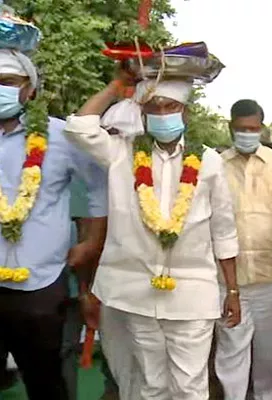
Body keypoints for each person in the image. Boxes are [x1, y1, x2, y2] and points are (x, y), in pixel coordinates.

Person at [64, 73, 241, 399]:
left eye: (170, 106)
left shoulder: (209, 161)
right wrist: (117, 87)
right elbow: (78, 128)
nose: (162, 114)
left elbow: (223, 229)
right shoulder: (122, 152)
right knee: (151, 383)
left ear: (185, 111)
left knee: (190, 386)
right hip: (137, 292)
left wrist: (231, 289)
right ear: (141, 112)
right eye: (153, 107)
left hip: (192, 292)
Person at [0, 45, 108, 399]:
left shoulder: (61, 136)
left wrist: (91, 242)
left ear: (29, 89)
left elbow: (97, 190)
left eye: (7, 81)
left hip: (41, 283)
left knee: (46, 381)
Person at [216, 99, 272, 400]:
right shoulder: (216, 166)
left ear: (262, 129)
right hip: (227, 278)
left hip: (271, 275)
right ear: (230, 128)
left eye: (253, 128)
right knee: (230, 349)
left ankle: (266, 396)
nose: (247, 134)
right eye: (241, 129)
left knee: (268, 349)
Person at [63, 177, 108, 400]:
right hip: (70, 283)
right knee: (63, 349)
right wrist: (83, 292)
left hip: (108, 282)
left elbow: (86, 233)